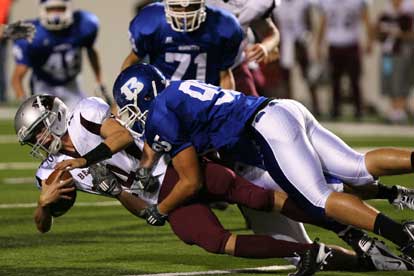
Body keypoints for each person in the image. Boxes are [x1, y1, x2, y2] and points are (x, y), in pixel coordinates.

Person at [14, 94, 413, 275]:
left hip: (173, 164)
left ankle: (355, 230)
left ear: (53, 117)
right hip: (155, 192)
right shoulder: (52, 172)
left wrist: (85, 160)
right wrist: (44, 207)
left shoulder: (84, 113)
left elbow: (118, 138)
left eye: (37, 133)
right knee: (209, 240)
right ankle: (313, 252)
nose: (38, 143)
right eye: (32, 139)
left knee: (258, 195)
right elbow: (46, 224)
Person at [106, 64, 414, 262]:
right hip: (282, 109)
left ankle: (403, 237)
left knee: (318, 199)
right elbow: (155, 144)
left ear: (144, 98)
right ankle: (396, 211)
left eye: (129, 108)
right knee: (356, 167)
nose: (129, 116)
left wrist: (160, 209)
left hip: (265, 128)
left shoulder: (160, 116)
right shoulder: (172, 91)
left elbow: (191, 181)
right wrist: (146, 167)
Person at [121, 0, 243, 90]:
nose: (184, 13)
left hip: (206, 100)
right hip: (163, 100)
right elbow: (132, 62)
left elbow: (225, 74)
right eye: (177, 6)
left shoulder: (224, 25)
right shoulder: (152, 20)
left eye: (191, 6)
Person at [11, 0, 108, 110]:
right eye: (51, 9)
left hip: (72, 84)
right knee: (46, 124)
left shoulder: (83, 24)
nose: (56, 14)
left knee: (84, 120)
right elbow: (17, 78)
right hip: (44, 85)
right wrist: (24, 102)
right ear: (43, 9)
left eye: (60, 9)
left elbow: (91, 51)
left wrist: (99, 81)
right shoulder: (32, 35)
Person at [206, 0, 280, 97]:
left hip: (235, 68)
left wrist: (266, 46)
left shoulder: (254, 4)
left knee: (253, 110)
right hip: (197, 69)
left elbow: (270, 32)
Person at [316, 0, 374, 120]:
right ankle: (335, 109)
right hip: (334, 44)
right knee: (334, 80)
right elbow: (323, 22)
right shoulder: (327, 3)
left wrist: (369, 40)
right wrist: (318, 44)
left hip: (352, 43)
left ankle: (359, 110)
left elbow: (366, 19)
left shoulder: (357, 2)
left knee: (355, 79)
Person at [272, 0, 320, 115]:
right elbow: (274, 25)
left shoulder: (303, 3)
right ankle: (288, 107)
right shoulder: (276, 4)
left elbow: (310, 24)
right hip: (284, 42)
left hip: (300, 42)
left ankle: (316, 106)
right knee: (285, 78)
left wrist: (306, 38)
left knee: (308, 75)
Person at [377, 0, 414, 124]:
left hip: (400, 53)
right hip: (387, 55)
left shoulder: (406, 16)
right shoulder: (385, 16)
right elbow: (378, 34)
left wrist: (399, 34)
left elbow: (410, 35)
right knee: (388, 81)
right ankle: (394, 109)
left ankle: (400, 110)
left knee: (400, 81)